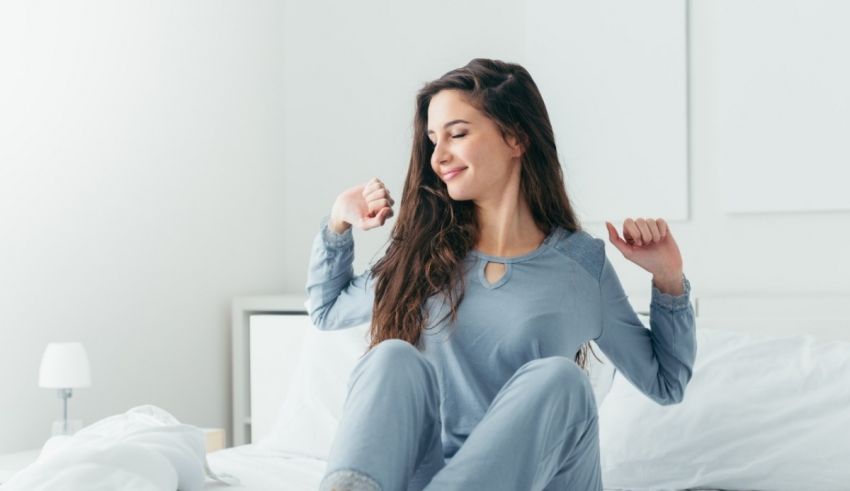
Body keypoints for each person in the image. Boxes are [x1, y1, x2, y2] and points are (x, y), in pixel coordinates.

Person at [305, 58, 695, 491]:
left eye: (457, 134)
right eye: (433, 140)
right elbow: (326, 310)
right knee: (390, 358)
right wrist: (338, 223)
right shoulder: (423, 256)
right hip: (429, 475)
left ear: (515, 137)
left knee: (561, 379)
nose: (439, 157)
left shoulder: (581, 266)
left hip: (538, 480)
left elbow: (666, 383)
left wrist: (668, 279)